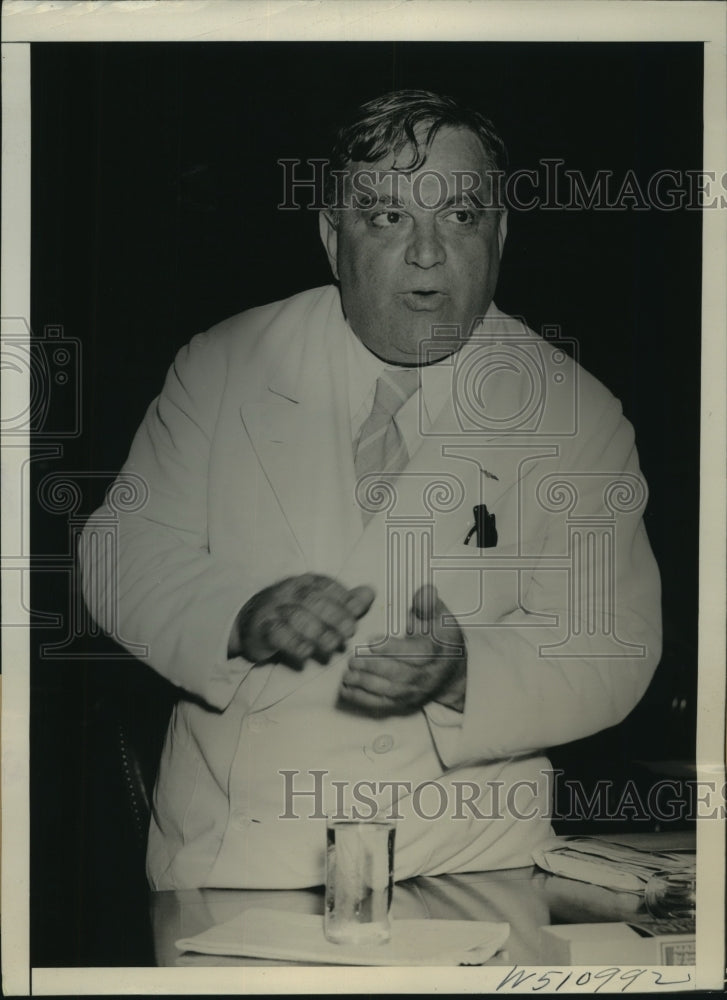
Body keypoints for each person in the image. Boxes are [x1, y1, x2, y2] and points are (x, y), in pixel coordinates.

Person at [80, 90, 662, 890]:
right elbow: (120, 554)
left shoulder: (577, 412)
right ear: (331, 237)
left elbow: (613, 646)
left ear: (501, 232)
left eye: (459, 216)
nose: (426, 254)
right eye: (386, 218)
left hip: (469, 862)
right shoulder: (225, 363)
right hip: (240, 862)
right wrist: (235, 615)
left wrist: (465, 673)